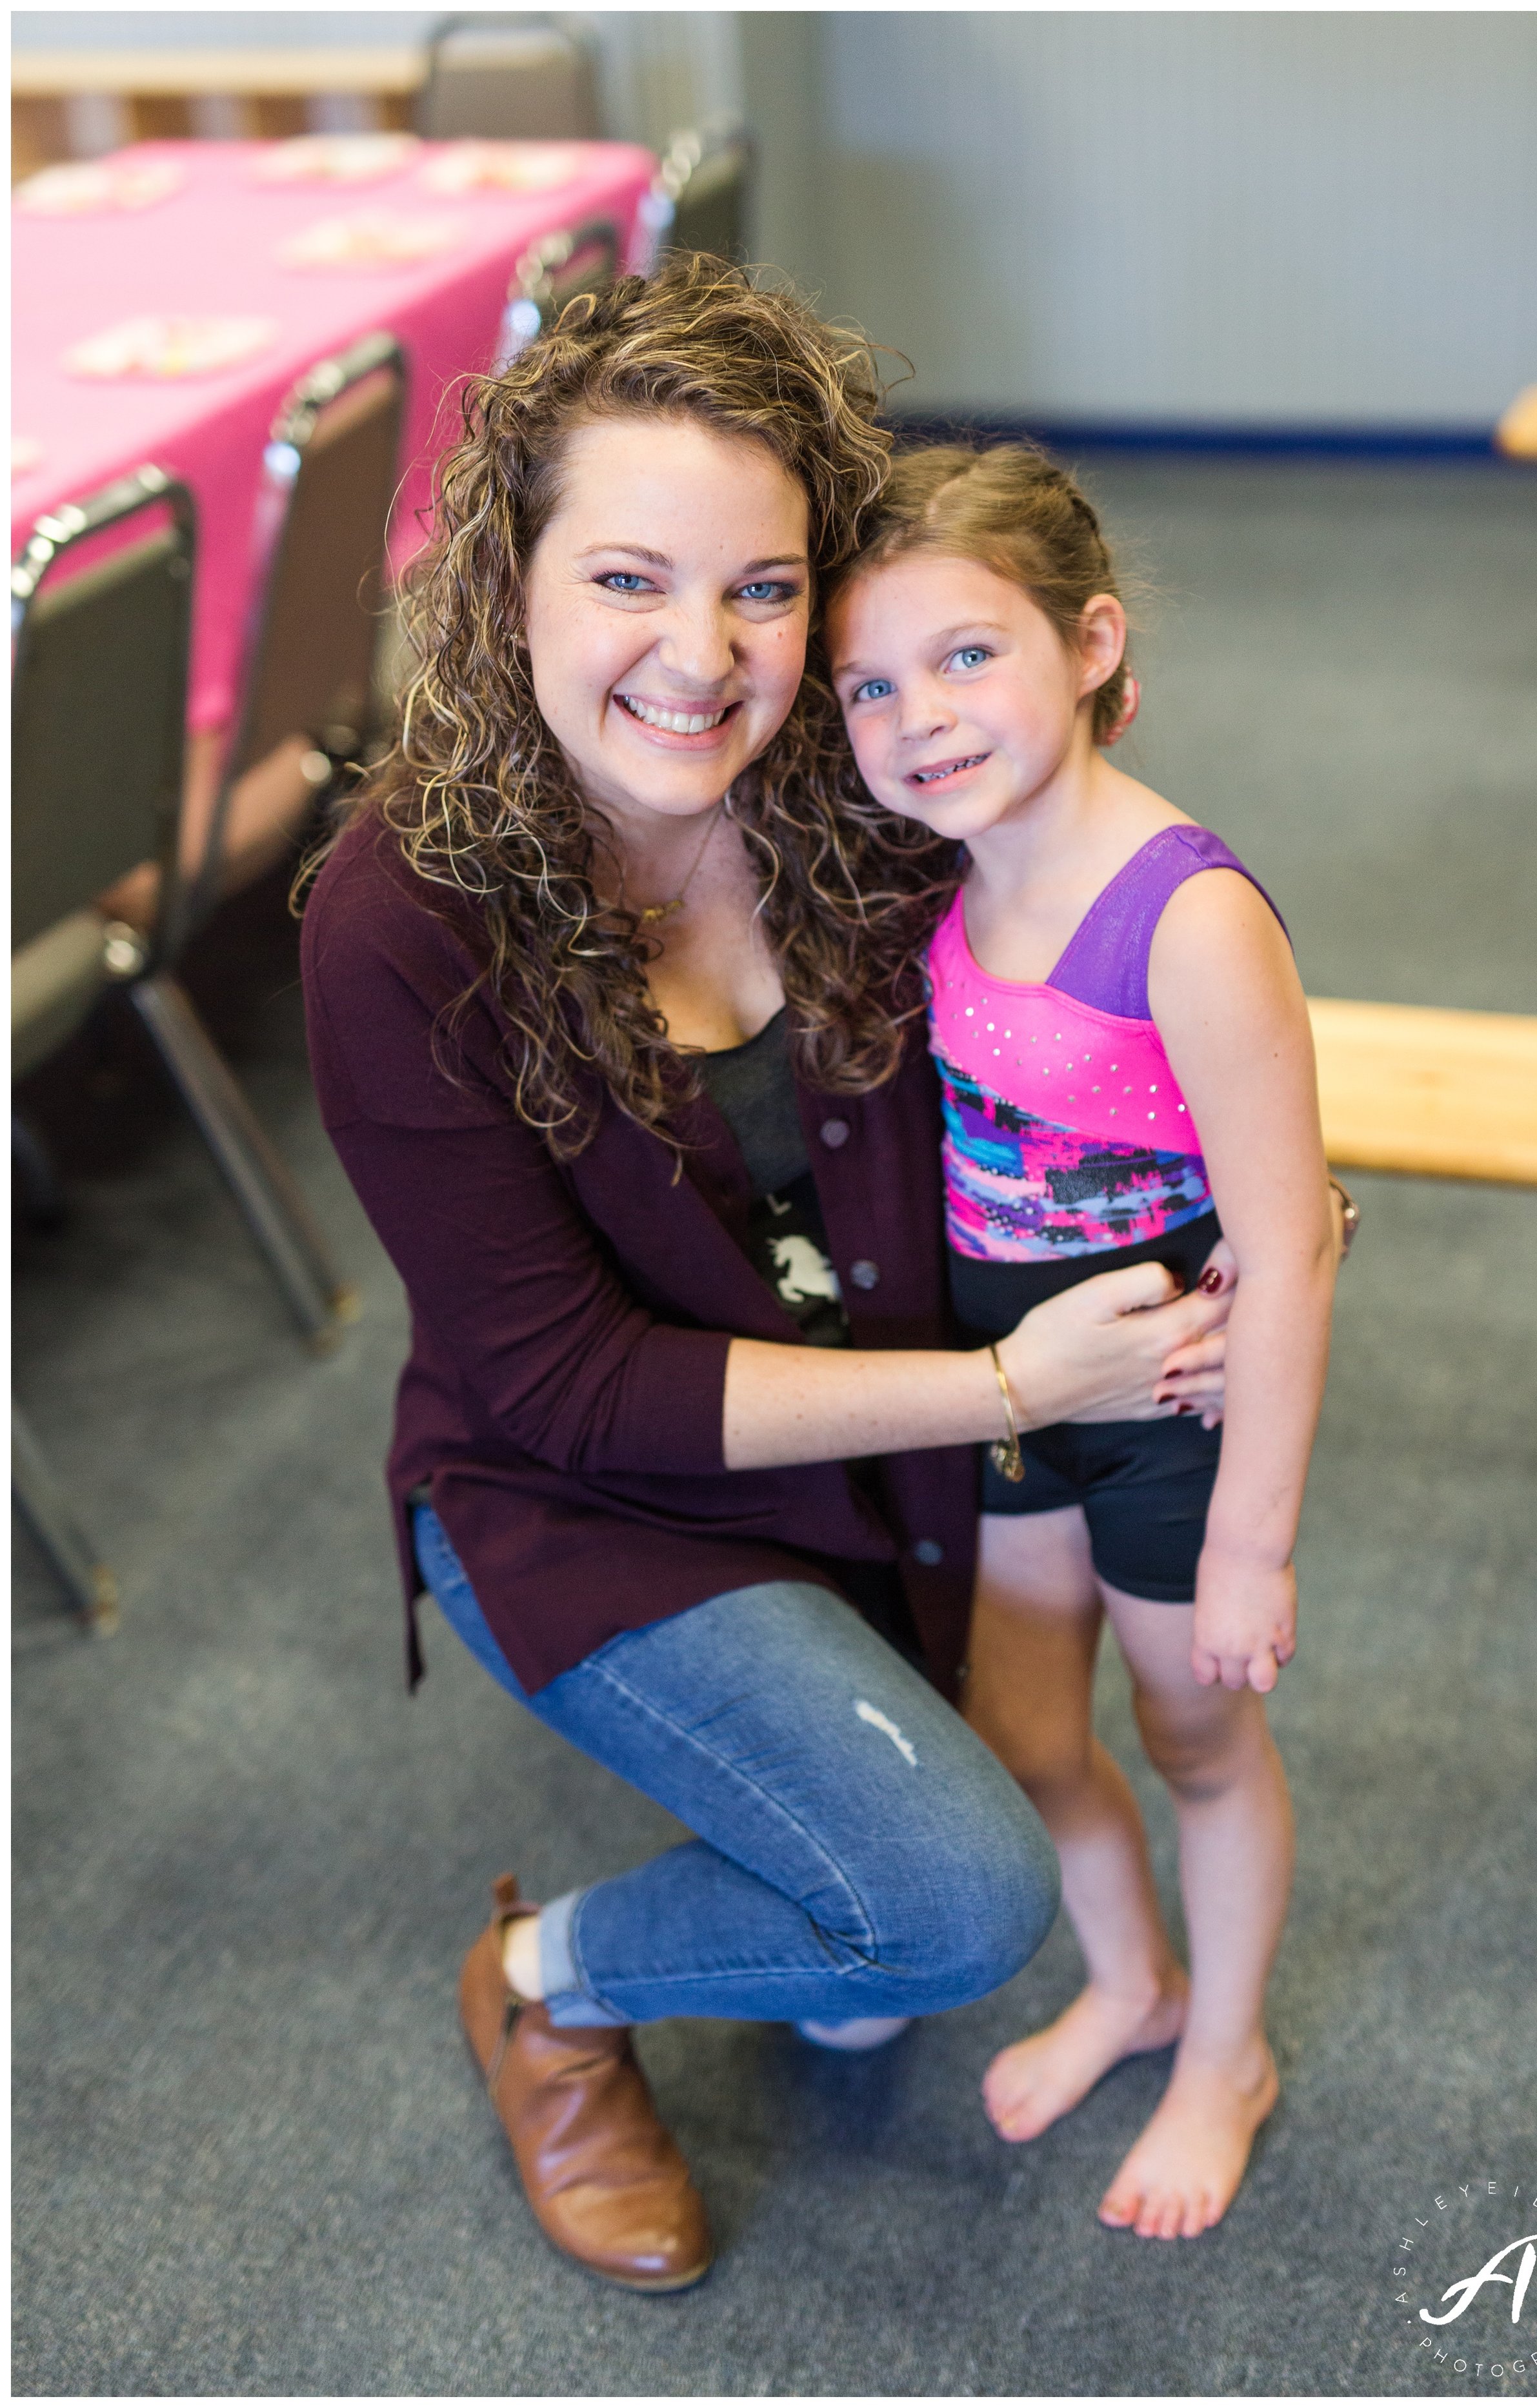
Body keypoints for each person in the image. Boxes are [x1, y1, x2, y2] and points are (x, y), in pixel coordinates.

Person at [298, 260, 1236, 2294]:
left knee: (867, 1968)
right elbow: (567, 1390)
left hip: (897, 1435)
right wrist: (1008, 1397)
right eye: (629, 581)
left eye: (764, 589)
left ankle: (821, 1794)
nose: (702, 659)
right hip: (596, 1490)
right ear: (509, 586)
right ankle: (546, 1982)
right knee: (950, 1906)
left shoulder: (866, 777)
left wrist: (1246, 1205)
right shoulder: (400, 917)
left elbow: (1111, 982)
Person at [825, 444, 1339, 2242]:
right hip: (1014, 1392)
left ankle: (1229, 2056)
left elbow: (1288, 1242)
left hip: (1172, 1422)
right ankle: (1134, 1986)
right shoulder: (940, 876)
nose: (918, 717)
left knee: (1195, 1744)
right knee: (1025, 1734)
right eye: (869, 685)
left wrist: (1252, 1542)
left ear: (1090, 640)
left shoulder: (1183, 915)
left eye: (966, 656)